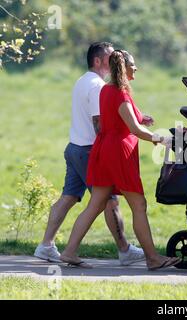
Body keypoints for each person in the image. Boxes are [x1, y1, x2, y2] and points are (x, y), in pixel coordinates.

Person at [60, 50, 180, 270]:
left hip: (103, 151)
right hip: (118, 155)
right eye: (133, 65)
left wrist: (142, 119)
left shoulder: (106, 90)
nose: (136, 68)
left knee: (95, 205)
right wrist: (163, 139)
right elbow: (134, 128)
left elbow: (120, 117)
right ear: (124, 67)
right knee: (139, 205)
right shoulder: (121, 93)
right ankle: (153, 258)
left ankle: (69, 251)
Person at [35, 42, 148, 266]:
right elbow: (100, 124)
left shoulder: (82, 80)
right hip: (89, 150)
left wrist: (138, 118)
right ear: (97, 61)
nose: (115, 58)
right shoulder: (98, 85)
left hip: (74, 147)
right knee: (108, 202)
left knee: (68, 198)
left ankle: (46, 245)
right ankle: (125, 250)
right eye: (110, 56)